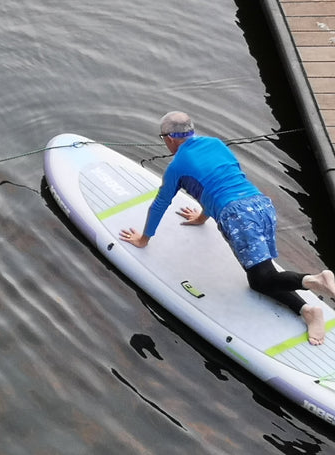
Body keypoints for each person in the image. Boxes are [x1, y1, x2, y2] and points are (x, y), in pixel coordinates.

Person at [119, 111, 335, 345]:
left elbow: (161, 203)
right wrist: (203, 217)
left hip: (238, 217)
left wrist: (144, 238)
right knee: (261, 276)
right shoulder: (215, 144)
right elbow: (216, 182)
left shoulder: (177, 166)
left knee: (262, 280)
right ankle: (307, 311)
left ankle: (314, 281)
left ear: (169, 138)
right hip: (260, 206)